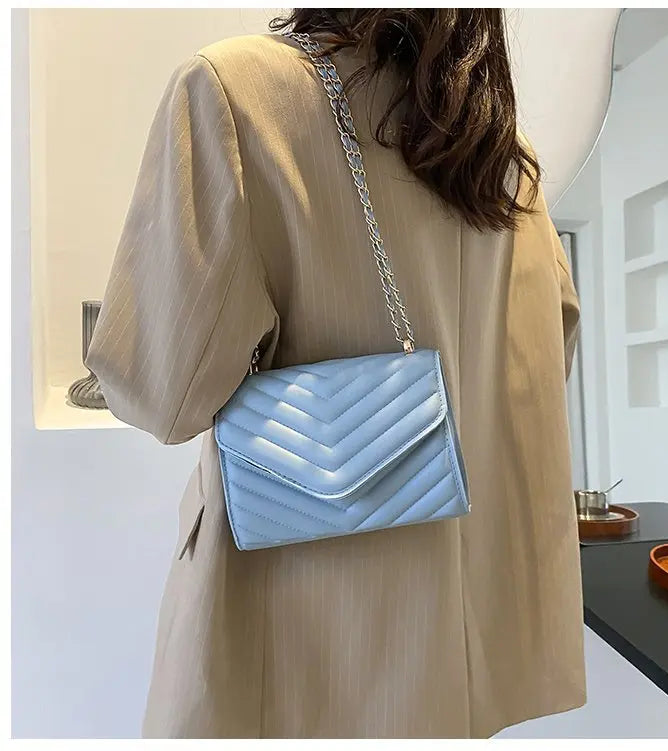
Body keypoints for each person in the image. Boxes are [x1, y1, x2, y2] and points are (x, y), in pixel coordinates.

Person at [86, 9, 585, 739]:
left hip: (304, 648)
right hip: (464, 646)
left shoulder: (234, 91)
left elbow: (161, 393)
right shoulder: (505, 159)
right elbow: (548, 351)